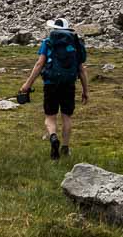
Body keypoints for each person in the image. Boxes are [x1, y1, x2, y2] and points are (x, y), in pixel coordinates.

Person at [19, 18, 89, 160]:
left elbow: (39, 64)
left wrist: (27, 84)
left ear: (53, 28)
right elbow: (81, 70)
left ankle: (53, 137)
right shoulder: (75, 43)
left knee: (50, 117)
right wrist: (85, 90)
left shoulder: (48, 42)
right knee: (66, 117)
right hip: (68, 84)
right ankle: (65, 148)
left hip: (50, 83)